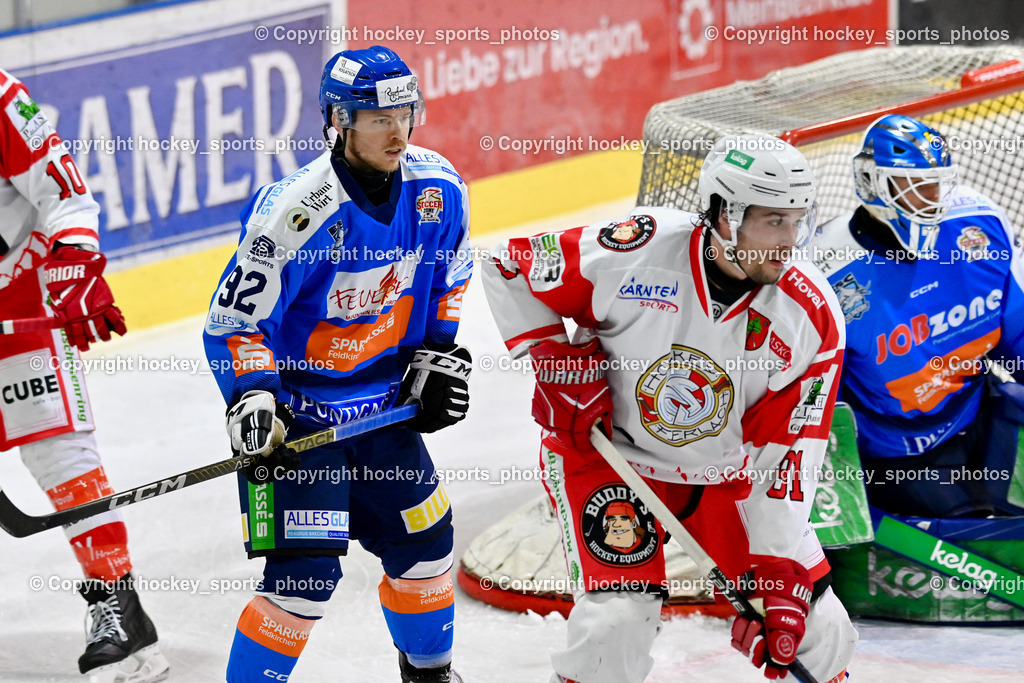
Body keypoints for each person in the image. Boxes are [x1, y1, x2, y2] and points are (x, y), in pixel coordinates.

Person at [483, 134, 857, 683]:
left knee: (818, 631)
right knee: (616, 627)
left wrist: (776, 569)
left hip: (728, 478)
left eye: (798, 220)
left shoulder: (810, 317)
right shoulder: (633, 250)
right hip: (610, 462)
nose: (789, 240)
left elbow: (789, 455)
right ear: (724, 216)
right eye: (773, 221)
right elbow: (508, 268)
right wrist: (553, 359)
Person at [203, 46, 473, 683]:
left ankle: (430, 674)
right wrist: (252, 398)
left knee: (427, 550)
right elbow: (236, 321)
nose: (397, 130)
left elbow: (449, 279)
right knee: (304, 580)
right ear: (338, 121)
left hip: (384, 413)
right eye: (378, 118)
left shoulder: (439, 190)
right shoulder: (293, 213)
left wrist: (439, 355)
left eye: (404, 112)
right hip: (298, 422)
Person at [0, 69, 169, 682]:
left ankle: (119, 609)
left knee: (61, 457)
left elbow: (63, 190)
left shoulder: (0, 99)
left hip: (19, 305)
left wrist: (74, 258)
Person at [808, 114, 1024, 517]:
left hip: (980, 415)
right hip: (898, 458)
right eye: (910, 186)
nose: (928, 200)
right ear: (871, 183)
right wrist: (836, 496)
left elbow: (1018, 330)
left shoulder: (978, 224)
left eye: (933, 185)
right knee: (977, 557)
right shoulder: (824, 272)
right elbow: (814, 402)